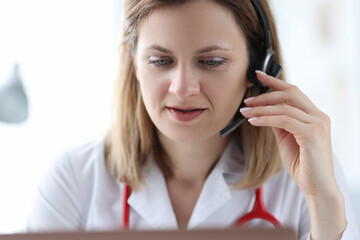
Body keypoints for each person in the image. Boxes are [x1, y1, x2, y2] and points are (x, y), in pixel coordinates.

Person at [26, 0, 359, 239]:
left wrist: (324, 207)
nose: (182, 88)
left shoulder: (307, 181)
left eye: (211, 61)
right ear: (134, 63)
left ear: (258, 69)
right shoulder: (74, 180)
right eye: (160, 61)